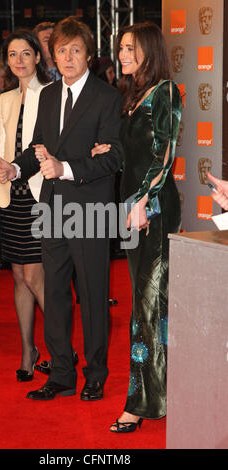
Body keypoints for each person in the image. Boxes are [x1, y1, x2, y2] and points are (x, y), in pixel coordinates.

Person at [0, 16, 123, 401]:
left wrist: (65, 168)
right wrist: (16, 168)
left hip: (91, 210)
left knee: (92, 294)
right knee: (55, 293)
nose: (68, 58)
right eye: (62, 50)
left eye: (76, 50)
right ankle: (62, 373)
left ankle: (95, 374)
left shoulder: (107, 98)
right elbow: (39, 146)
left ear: (89, 55)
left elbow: (114, 157)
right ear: (54, 55)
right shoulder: (48, 95)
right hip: (51, 209)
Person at [109, 22, 182, 433]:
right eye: (120, 48)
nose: (121, 54)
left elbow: (164, 155)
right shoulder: (133, 94)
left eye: (129, 48)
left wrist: (140, 200)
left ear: (149, 50)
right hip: (132, 208)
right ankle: (158, 393)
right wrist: (112, 151)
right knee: (145, 304)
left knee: (148, 307)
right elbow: (137, 151)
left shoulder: (165, 91)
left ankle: (141, 403)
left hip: (151, 210)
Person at [0, 29, 51, 382]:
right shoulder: (4, 100)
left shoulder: (52, 95)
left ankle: (60, 347)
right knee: (19, 276)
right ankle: (27, 350)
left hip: (40, 196)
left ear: (38, 57)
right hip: (10, 197)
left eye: (25, 54)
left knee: (36, 275)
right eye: (12, 55)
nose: (19, 61)